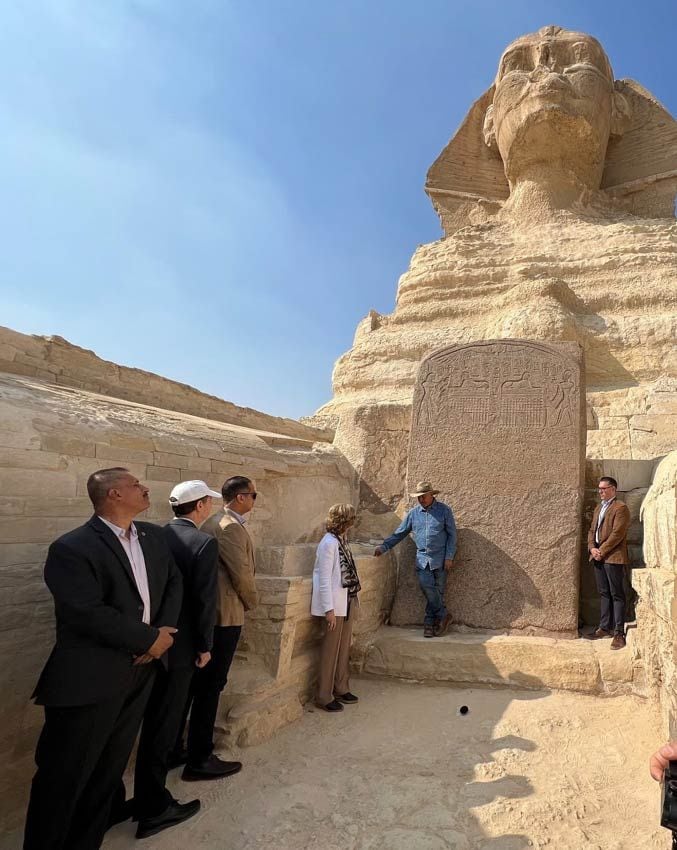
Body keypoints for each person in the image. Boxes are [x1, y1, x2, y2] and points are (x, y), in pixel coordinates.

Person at [23, 467, 182, 850]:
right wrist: (148, 639)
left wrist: (161, 636)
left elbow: (173, 583)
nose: (145, 489)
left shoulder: (154, 538)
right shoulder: (72, 548)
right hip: (90, 681)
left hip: (139, 674)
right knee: (65, 778)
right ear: (113, 494)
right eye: (135, 485)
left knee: (107, 773)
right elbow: (84, 611)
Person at [128, 480, 222, 839]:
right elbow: (203, 601)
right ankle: (153, 806)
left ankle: (143, 796)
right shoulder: (202, 542)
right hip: (179, 648)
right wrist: (205, 645)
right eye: (207, 502)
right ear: (198, 506)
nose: (209, 508)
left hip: (148, 642)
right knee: (163, 726)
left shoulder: (153, 536)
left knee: (152, 723)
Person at [176, 475, 259, 780]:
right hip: (225, 615)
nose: (254, 500)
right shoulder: (229, 527)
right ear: (240, 498)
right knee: (210, 687)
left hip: (213, 614)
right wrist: (252, 603)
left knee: (198, 687)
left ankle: (179, 747)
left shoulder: (218, 522)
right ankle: (200, 757)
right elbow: (242, 575)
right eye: (253, 495)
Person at [375, 481, 457, 638]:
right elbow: (400, 533)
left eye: (423, 496)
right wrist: (384, 547)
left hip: (440, 559)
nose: (421, 500)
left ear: (432, 495)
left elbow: (452, 536)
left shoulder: (444, 511)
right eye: (418, 497)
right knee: (427, 587)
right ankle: (444, 615)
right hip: (422, 559)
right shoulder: (413, 514)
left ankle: (429, 624)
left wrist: (449, 557)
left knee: (437, 593)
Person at [311, 504, 361, 712]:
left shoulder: (342, 541)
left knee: (343, 648)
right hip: (334, 605)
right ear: (345, 521)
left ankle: (341, 687)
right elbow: (323, 579)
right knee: (330, 651)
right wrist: (328, 610)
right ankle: (323, 695)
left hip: (346, 600)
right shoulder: (328, 544)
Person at [586, 476, 631, 650]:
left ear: (613, 489)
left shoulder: (621, 508)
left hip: (613, 557)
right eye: (599, 489)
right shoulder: (599, 507)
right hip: (598, 556)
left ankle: (618, 632)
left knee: (617, 594)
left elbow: (617, 534)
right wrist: (592, 548)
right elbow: (592, 530)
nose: (600, 492)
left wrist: (601, 551)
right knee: (604, 593)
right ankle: (604, 627)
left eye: (604, 489)